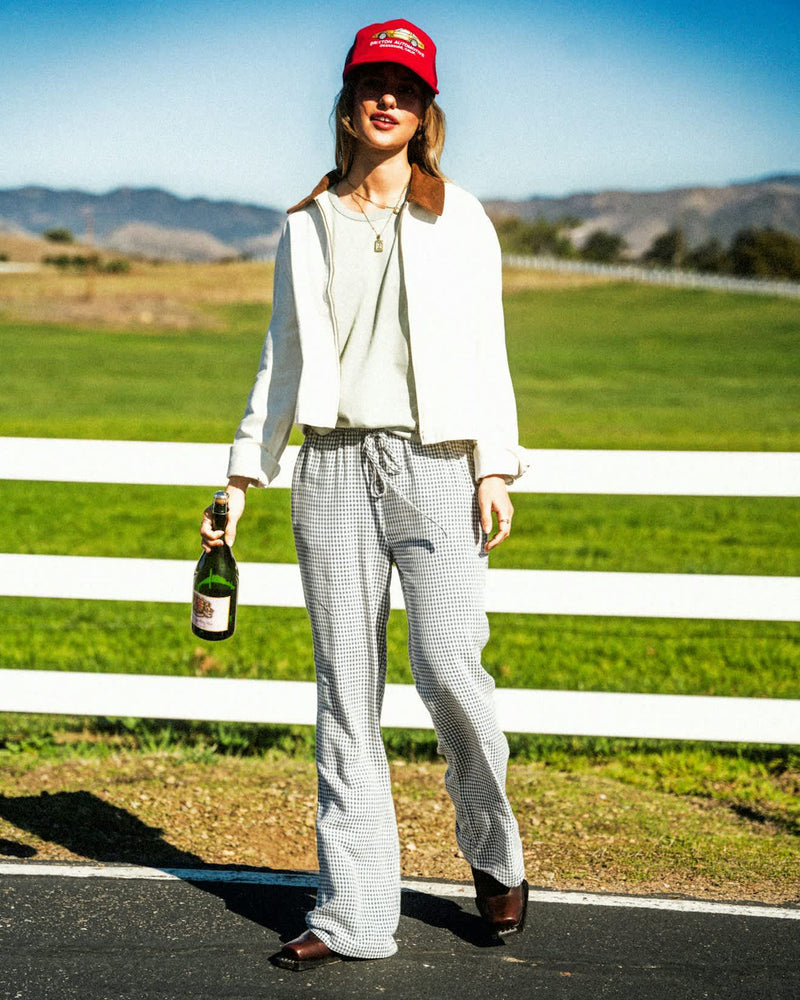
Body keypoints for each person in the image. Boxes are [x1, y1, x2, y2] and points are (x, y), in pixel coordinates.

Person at [200, 18, 529, 971]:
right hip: (332, 465)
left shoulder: (457, 216)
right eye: (372, 85)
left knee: (451, 673)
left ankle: (494, 849)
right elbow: (282, 355)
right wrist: (239, 472)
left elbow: (485, 349)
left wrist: (493, 464)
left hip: (435, 464)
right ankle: (354, 913)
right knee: (347, 694)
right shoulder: (305, 225)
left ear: (426, 112)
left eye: (407, 88)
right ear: (347, 105)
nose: (388, 100)